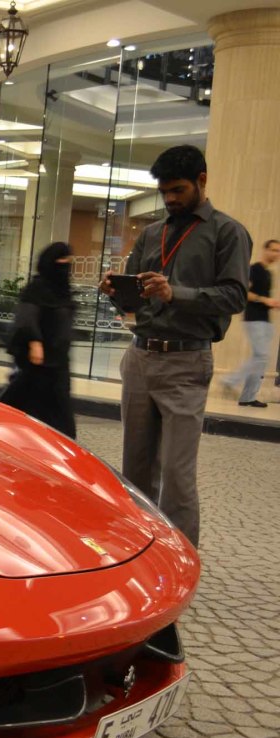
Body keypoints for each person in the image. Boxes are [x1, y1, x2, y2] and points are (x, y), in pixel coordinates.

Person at [100, 144, 249, 547]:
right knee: (135, 467)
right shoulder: (152, 232)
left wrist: (175, 294)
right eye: (164, 192)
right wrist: (116, 291)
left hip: (187, 360)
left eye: (178, 190)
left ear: (202, 180)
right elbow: (134, 299)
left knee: (178, 475)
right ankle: (140, 553)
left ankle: (181, 559)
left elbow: (235, 296)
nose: (170, 199)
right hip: (140, 357)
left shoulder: (226, 232)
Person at [0, 242, 78, 438]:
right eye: (61, 260)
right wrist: (35, 342)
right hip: (36, 365)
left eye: (68, 261)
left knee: (61, 423)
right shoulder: (37, 289)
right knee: (24, 413)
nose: (65, 265)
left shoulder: (64, 292)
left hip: (59, 365)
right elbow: (27, 316)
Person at [223, 239, 280, 407]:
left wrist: (272, 304)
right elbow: (244, 292)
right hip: (254, 318)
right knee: (261, 356)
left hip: (265, 320)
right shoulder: (254, 269)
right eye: (274, 250)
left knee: (260, 359)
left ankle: (248, 397)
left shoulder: (268, 273)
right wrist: (265, 300)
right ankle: (230, 380)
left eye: (279, 252)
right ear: (265, 250)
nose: (277, 254)